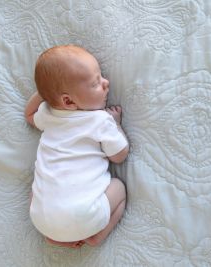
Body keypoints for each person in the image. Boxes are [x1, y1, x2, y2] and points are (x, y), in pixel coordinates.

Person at [24, 45, 129, 249]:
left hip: (41, 219)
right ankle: (97, 236)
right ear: (69, 101)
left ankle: (54, 236)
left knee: (35, 193)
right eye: (96, 83)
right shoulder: (100, 120)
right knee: (120, 189)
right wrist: (115, 123)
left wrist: (46, 93)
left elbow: (28, 115)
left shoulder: (48, 114)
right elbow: (120, 155)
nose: (106, 83)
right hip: (87, 214)